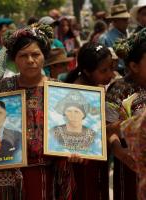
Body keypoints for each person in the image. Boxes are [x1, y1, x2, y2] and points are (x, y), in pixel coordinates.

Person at [0, 23, 61, 200]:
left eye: (36, 54)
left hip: (47, 172)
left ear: (44, 56)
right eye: (23, 55)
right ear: (14, 59)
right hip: (6, 173)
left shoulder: (58, 90)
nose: (30, 60)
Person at [65, 42, 115, 200]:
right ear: (86, 71)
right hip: (79, 161)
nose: (111, 74)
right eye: (104, 70)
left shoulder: (98, 87)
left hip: (97, 158)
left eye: (111, 68)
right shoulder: (72, 93)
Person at [105, 27, 146, 200]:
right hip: (129, 165)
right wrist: (120, 151)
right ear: (134, 66)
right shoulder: (119, 89)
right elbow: (106, 129)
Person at [98, 3, 130, 75]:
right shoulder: (105, 38)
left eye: (127, 19)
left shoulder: (129, 35)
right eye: (124, 19)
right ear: (115, 20)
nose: (127, 22)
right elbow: (101, 62)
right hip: (115, 74)